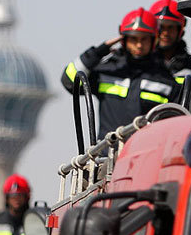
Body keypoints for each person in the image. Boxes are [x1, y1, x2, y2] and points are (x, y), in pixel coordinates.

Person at [60, 8, 181, 138]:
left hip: (146, 155)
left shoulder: (165, 80)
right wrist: (98, 52)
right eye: (134, 39)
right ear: (124, 39)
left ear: (154, 40)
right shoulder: (108, 71)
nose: (139, 45)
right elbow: (69, 80)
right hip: (108, 154)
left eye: (144, 39)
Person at [149, 0, 191, 84]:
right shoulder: (140, 64)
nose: (165, 33)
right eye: (161, 27)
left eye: (170, 27)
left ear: (180, 32)